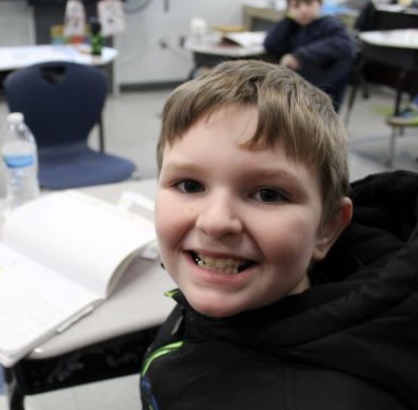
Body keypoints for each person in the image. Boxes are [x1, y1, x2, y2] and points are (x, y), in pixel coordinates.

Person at [140, 59, 418, 409]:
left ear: (328, 227)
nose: (215, 222)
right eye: (190, 185)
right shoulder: (239, 286)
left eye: (268, 194)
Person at [263, 0, 355, 111]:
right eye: (296, 6)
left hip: (322, 93)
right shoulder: (294, 26)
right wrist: (288, 18)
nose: (303, 9)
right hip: (297, 89)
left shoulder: (330, 24)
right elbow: (271, 44)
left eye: (308, 3)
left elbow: (345, 44)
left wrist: (300, 55)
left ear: (319, 4)